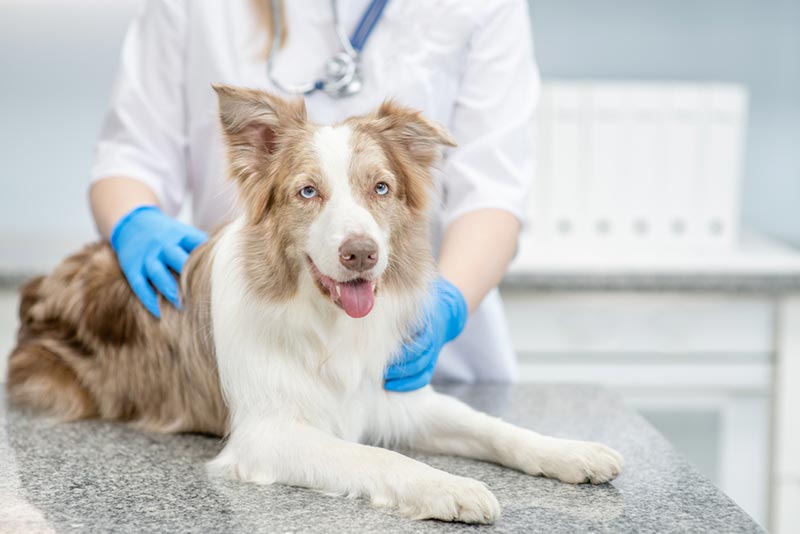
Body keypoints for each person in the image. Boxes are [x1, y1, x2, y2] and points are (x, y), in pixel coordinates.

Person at [90, 0, 539, 390]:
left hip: (424, 362)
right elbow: (131, 154)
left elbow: (492, 189)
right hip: (259, 344)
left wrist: (447, 306)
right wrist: (134, 220)